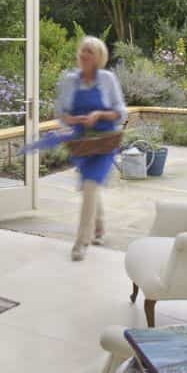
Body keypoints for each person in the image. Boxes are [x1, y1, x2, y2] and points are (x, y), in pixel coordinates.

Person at [55, 36, 127, 261]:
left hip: (104, 141)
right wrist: (73, 120)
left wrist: (99, 114)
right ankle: (99, 228)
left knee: (89, 185)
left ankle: (81, 242)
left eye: (89, 52)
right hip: (81, 144)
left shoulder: (107, 79)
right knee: (90, 187)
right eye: (82, 51)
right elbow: (60, 113)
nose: (83, 55)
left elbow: (120, 112)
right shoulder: (69, 80)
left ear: (98, 57)